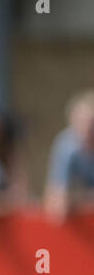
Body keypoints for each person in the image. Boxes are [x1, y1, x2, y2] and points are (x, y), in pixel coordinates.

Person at [42, 90, 94, 222]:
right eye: (82, 122)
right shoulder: (66, 146)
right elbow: (57, 202)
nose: (88, 129)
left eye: (91, 124)